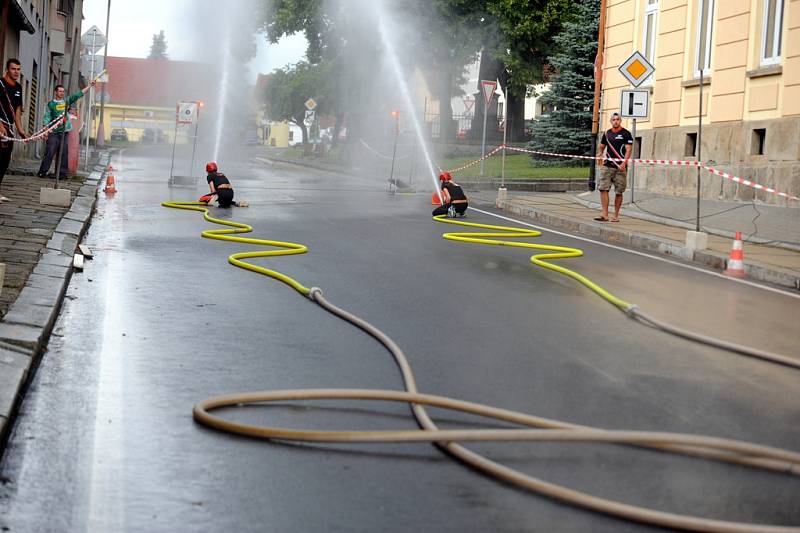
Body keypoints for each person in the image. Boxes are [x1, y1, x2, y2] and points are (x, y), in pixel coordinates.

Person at [38, 82, 94, 178]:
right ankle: (42, 172)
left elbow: (78, 95)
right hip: (54, 132)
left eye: (63, 91)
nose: (61, 93)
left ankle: (62, 174)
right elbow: (47, 116)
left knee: (64, 152)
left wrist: (89, 86)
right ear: (55, 92)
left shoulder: (66, 101)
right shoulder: (51, 104)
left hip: (64, 132)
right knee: (50, 151)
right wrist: (46, 127)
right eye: (59, 91)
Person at [595, 112, 633, 222]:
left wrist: (624, 163)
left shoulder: (626, 133)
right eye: (613, 119)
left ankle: (615, 215)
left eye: (617, 119)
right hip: (607, 165)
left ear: (620, 121)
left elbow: (628, 150)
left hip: (620, 167)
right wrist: (600, 152)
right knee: (603, 189)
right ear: (611, 121)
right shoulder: (607, 133)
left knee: (619, 192)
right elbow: (602, 146)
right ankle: (604, 214)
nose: (615, 121)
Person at [0, 58, 28, 202]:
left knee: (5, 161)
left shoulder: (18, 87)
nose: (16, 72)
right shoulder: (0, 84)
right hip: (0, 127)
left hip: (9, 129)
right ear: (7, 69)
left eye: (18, 69)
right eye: (13, 69)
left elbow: (17, 112)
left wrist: (21, 130)